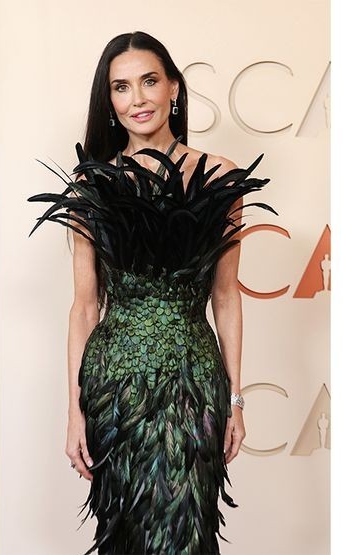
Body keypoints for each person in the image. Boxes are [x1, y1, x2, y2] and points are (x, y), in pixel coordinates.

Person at [27, 30, 278, 555]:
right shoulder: (91, 188)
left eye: (149, 82)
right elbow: (84, 307)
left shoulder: (219, 178)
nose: (137, 99)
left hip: (193, 382)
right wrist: (74, 411)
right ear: (109, 101)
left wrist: (235, 399)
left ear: (174, 89)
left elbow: (226, 297)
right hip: (115, 386)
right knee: (125, 533)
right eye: (121, 87)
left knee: (187, 530)